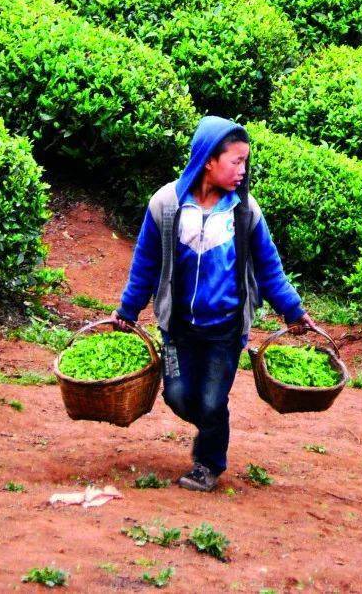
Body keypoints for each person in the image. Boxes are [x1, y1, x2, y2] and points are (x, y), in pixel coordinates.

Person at [113, 115, 316, 492]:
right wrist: (128, 308)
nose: (242, 170)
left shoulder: (244, 211)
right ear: (209, 160)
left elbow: (269, 267)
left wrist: (293, 310)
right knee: (177, 396)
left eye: (245, 162)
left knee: (210, 399)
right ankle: (212, 420)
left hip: (224, 329)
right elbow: (146, 262)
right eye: (235, 161)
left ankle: (209, 463)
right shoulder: (166, 205)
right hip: (178, 327)